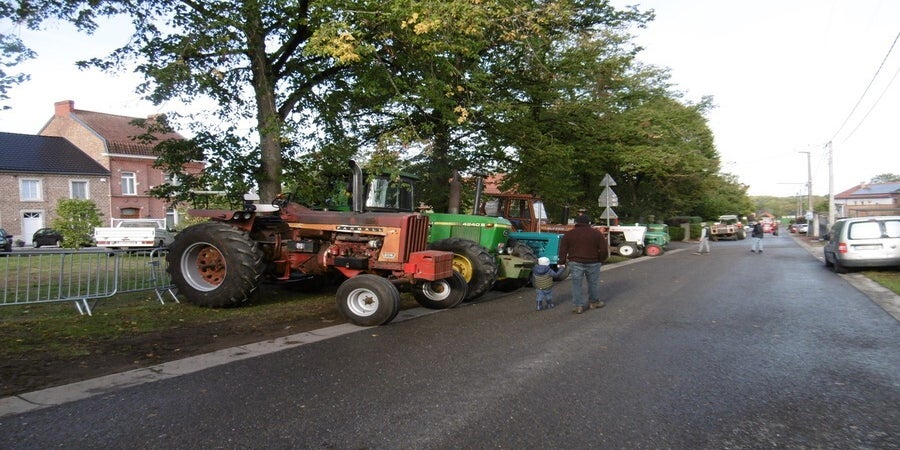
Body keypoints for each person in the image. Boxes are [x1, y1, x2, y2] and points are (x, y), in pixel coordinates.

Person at [558, 213, 609, 314]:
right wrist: (601, 259)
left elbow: (563, 249)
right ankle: (594, 302)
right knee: (593, 283)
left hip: (575, 262)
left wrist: (562, 261)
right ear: (588, 223)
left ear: (576, 222)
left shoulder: (569, 234)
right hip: (593, 262)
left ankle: (578, 306)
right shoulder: (596, 233)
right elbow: (603, 249)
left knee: (576, 284)